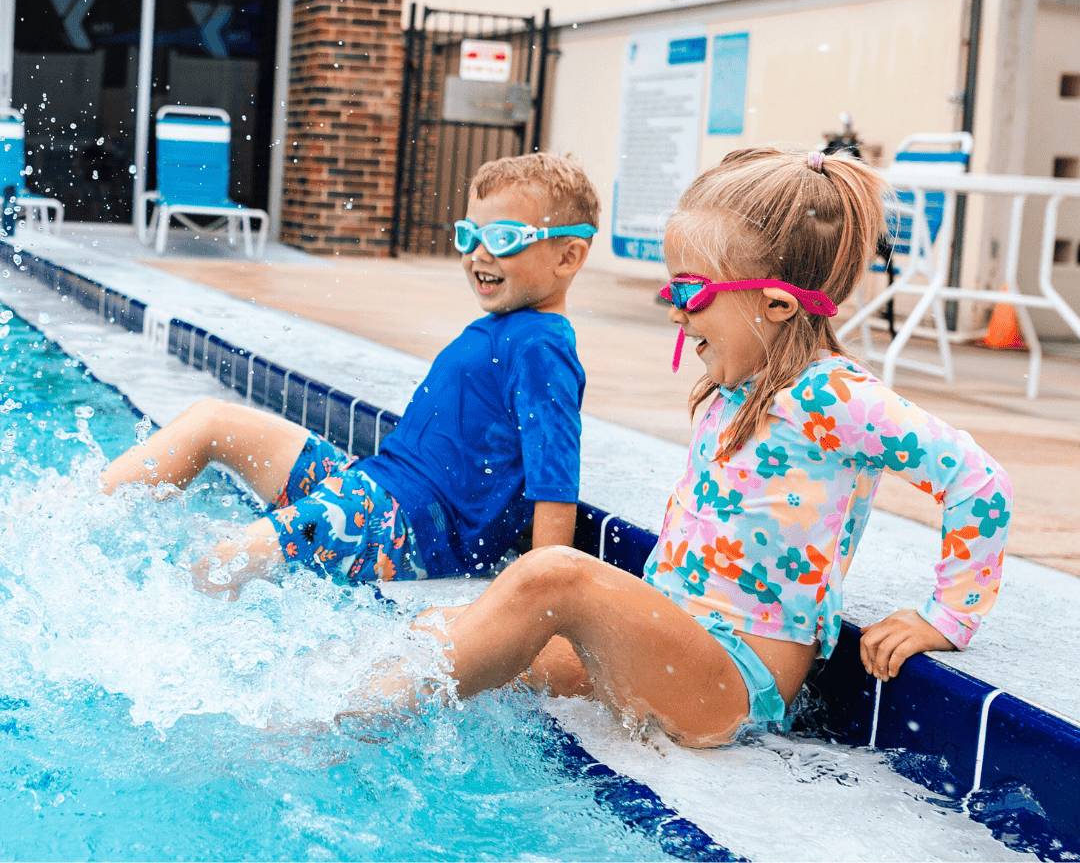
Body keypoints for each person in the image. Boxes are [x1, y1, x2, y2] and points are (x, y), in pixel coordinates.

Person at [369, 147, 1012, 748]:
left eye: (691, 293)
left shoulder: (839, 398)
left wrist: (946, 617)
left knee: (552, 576)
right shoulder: (742, 385)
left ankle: (322, 726)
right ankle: (342, 708)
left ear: (779, 304)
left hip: (733, 681)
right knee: (448, 632)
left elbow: (980, 482)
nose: (675, 313)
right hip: (672, 642)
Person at [101, 153, 601, 594]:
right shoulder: (511, 327)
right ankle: (86, 516)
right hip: (377, 488)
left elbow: (554, 483)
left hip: (410, 527)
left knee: (228, 558)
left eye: (504, 238)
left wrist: (534, 603)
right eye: (469, 236)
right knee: (213, 420)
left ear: (569, 255)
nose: (478, 255)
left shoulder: (542, 347)